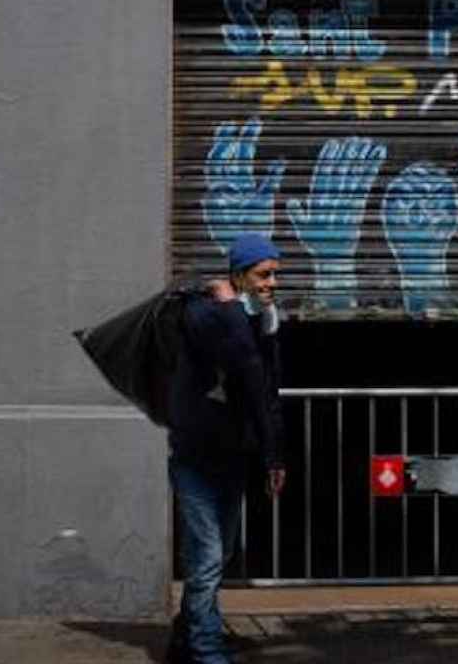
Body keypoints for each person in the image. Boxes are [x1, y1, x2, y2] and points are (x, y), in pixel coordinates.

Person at [167, 232, 287, 664]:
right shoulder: (202, 313)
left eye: (275, 275)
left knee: (221, 553)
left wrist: (273, 456)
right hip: (195, 459)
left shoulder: (254, 317)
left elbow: (264, 392)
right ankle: (205, 649)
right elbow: (244, 358)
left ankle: (190, 634)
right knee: (208, 556)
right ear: (238, 274)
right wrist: (234, 307)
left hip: (232, 458)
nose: (272, 283)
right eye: (263, 274)